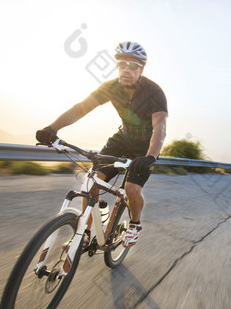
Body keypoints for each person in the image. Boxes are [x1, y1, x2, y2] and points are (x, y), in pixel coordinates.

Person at [36, 41, 168, 248]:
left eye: (133, 65)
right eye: (122, 64)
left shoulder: (154, 92)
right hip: (122, 139)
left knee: (132, 189)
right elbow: (80, 108)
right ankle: (85, 234)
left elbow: (160, 127)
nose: (126, 69)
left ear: (141, 69)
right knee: (91, 181)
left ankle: (134, 224)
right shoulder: (111, 88)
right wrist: (52, 128)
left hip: (145, 147)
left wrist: (150, 157)